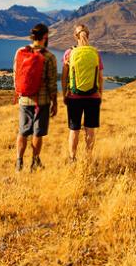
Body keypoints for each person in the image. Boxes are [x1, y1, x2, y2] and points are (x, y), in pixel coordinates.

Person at [13, 23, 58, 172]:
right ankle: (34, 162)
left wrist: (20, 93)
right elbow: (52, 83)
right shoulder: (49, 57)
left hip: (24, 99)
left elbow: (16, 75)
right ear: (45, 37)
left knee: (23, 131)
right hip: (42, 101)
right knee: (38, 133)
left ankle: (19, 162)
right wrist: (55, 102)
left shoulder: (20, 52)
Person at [61, 24, 103, 162]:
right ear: (88, 35)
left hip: (74, 97)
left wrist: (64, 94)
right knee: (90, 129)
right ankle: (88, 157)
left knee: (74, 130)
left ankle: (72, 158)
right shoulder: (95, 53)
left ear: (75, 36)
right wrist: (100, 94)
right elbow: (100, 77)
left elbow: (64, 77)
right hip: (93, 97)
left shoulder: (69, 53)